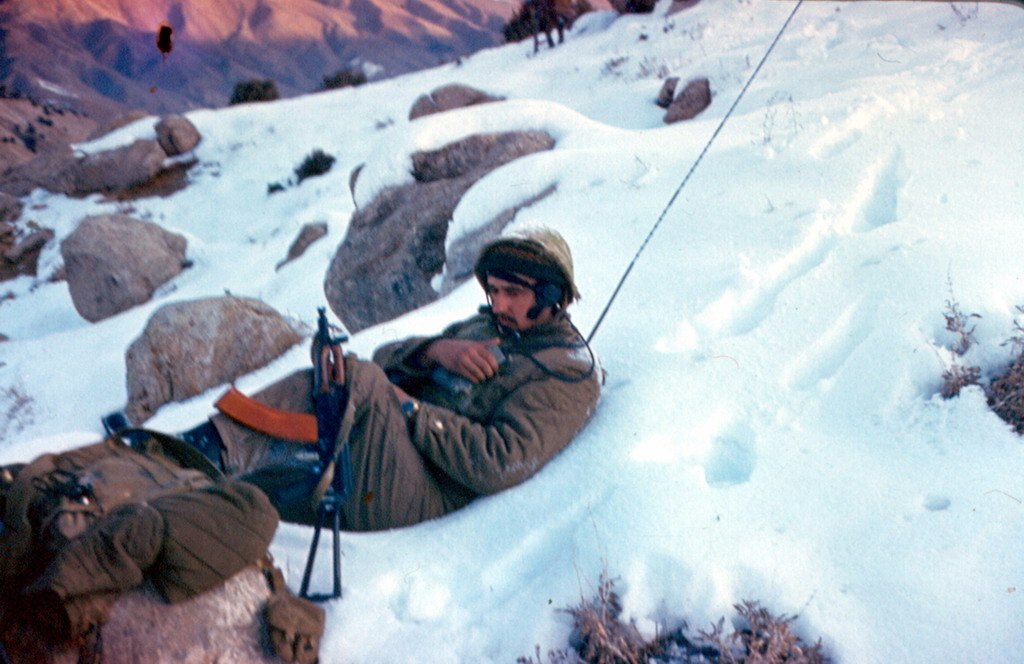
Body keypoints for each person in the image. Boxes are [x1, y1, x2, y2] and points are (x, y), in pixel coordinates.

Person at [189, 227, 602, 531]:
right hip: (381, 455)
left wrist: (410, 410)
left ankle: (210, 445)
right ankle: (195, 462)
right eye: (493, 291)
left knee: (358, 378)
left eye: (513, 292)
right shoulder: (485, 326)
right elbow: (383, 361)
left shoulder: (566, 371)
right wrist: (436, 351)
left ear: (551, 296)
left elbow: (500, 461)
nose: (499, 304)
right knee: (244, 491)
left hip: (424, 493)